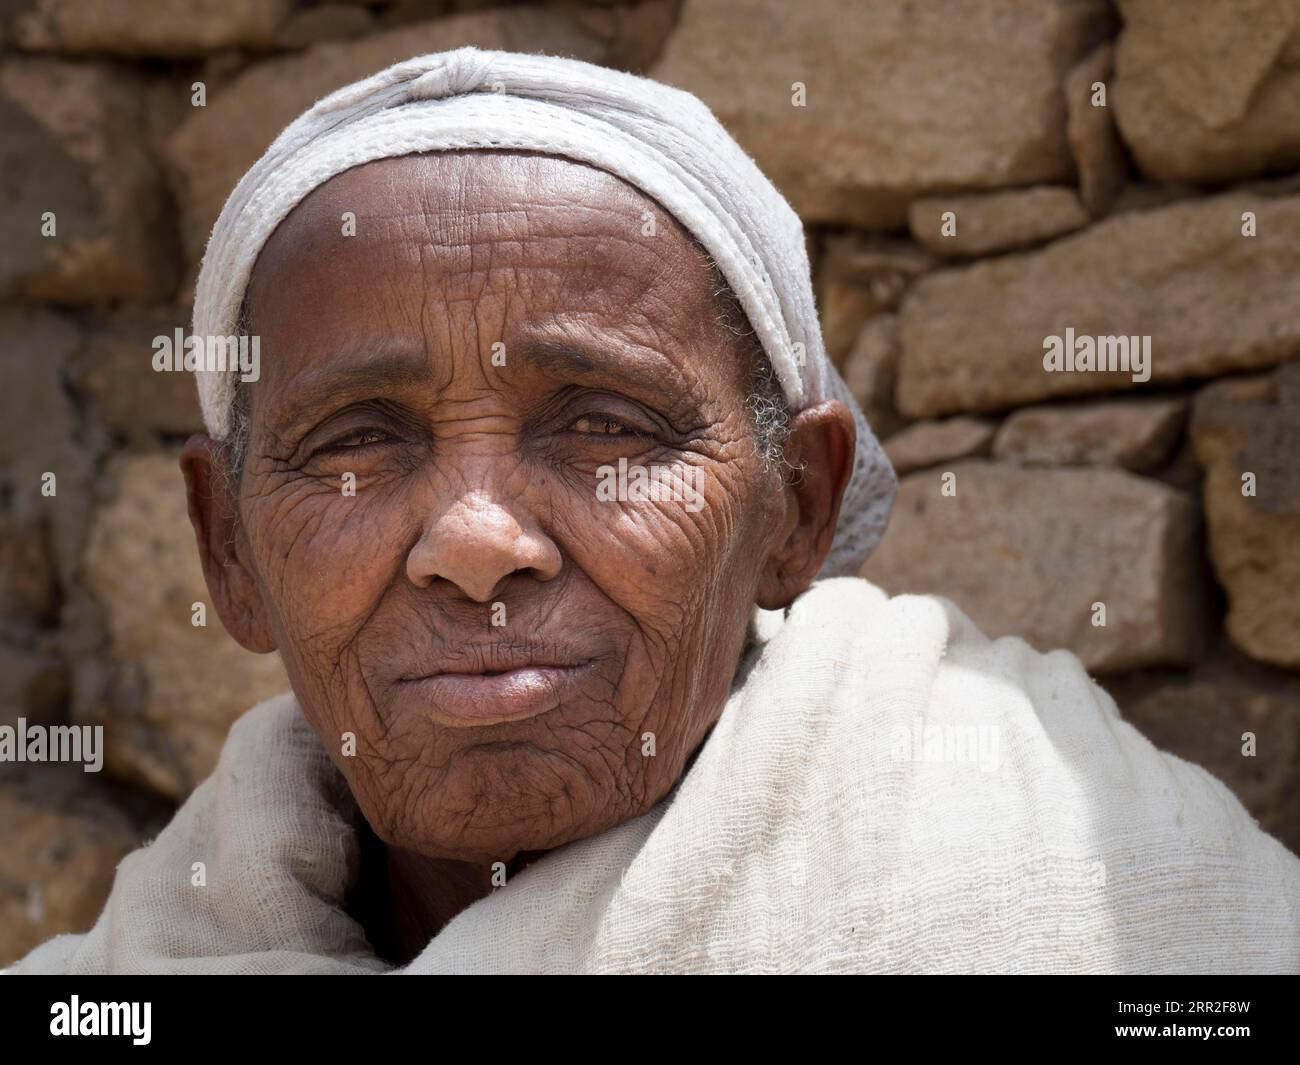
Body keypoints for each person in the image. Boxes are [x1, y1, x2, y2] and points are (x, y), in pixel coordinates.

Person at [11, 47, 1298, 975]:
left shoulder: (1088, 905)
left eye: (603, 428)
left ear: (793, 509)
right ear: (228, 551)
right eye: (356, 442)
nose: (474, 545)